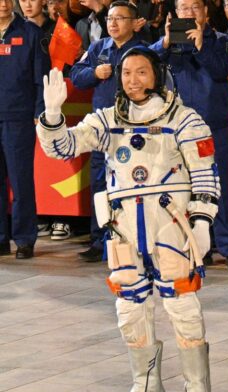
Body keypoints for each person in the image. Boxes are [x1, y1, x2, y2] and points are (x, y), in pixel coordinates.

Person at [36, 47, 220, 392]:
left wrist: (202, 221)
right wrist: (53, 115)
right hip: (124, 232)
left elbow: (205, 174)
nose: (133, 81)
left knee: (183, 308)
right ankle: (147, 389)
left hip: (170, 228)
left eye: (141, 72)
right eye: (126, 73)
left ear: (158, 76)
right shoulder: (107, 120)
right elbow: (63, 147)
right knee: (130, 310)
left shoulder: (185, 120)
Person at [151, 0, 228, 270]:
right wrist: (165, 42)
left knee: (222, 187)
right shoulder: (169, 43)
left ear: (205, 12)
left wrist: (201, 45)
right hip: (179, 131)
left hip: (216, 126)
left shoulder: (222, 41)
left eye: (195, 7)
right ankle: (196, 246)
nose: (190, 13)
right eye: (184, 8)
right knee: (186, 190)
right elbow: (146, 61)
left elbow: (222, 69)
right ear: (176, 13)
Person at [70, 0, 146, 262]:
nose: (113, 23)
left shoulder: (143, 51)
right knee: (100, 185)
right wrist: (94, 73)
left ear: (134, 23)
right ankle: (99, 241)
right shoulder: (98, 47)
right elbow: (76, 76)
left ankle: (133, 241)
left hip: (133, 130)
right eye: (110, 18)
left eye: (120, 18)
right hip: (102, 132)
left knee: (133, 185)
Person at [0, 0, 50, 259]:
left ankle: (24, 239)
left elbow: (42, 77)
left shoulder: (31, 33)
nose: (4, 4)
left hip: (18, 117)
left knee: (21, 181)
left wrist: (39, 112)